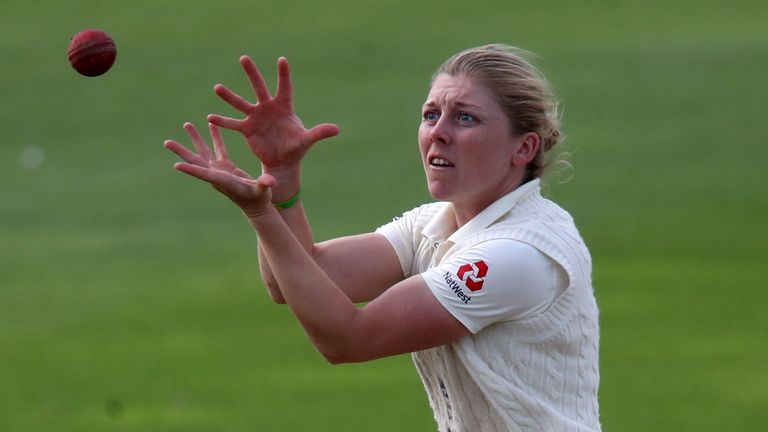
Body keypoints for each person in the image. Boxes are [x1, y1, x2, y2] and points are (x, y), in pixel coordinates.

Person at [164, 44, 601, 432]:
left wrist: (261, 211)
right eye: (431, 114)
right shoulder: (436, 223)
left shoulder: (520, 254)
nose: (438, 132)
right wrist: (279, 176)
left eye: (465, 117)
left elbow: (347, 338)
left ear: (522, 149)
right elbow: (296, 279)